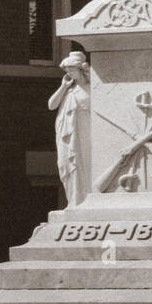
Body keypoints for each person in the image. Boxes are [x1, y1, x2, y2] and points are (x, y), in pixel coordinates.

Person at [48, 50, 91, 206]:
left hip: (83, 135)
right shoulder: (68, 89)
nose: (69, 72)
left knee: (82, 166)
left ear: (81, 69)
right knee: (65, 165)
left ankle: (82, 201)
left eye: (71, 69)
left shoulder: (91, 89)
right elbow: (51, 105)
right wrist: (63, 87)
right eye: (67, 70)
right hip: (65, 135)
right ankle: (73, 200)